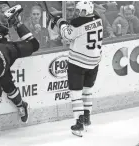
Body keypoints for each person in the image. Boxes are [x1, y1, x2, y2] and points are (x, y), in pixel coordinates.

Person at [48, 1, 103, 137]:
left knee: (76, 94)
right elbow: (79, 30)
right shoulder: (98, 18)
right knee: (87, 91)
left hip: (78, 63)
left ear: (86, 11)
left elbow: (67, 35)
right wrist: (64, 23)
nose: (78, 13)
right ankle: (87, 117)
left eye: (80, 11)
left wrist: (60, 22)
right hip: (94, 62)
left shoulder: (78, 22)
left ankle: (78, 124)